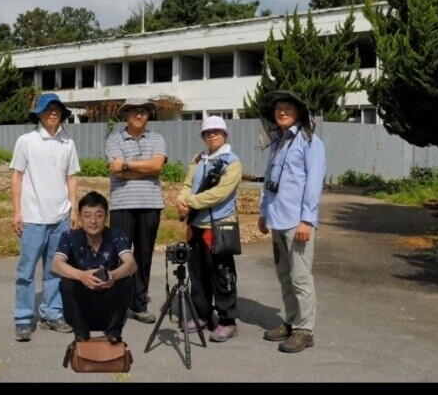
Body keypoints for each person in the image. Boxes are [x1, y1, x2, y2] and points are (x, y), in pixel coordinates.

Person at [257, 90, 326, 353]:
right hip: (277, 220)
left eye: (288, 108)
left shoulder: (310, 142)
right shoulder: (277, 143)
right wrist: (263, 212)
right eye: (278, 109)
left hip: (298, 222)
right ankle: (290, 321)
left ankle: (304, 329)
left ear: (298, 113)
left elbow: (313, 182)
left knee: (300, 277)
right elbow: (268, 181)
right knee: (285, 276)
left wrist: (307, 219)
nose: (282, 112)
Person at [11, 92, 80, 342]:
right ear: (39, 114)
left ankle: (52, 313)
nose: (53, 113)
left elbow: (71, 178)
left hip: (60, 217)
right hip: (32, 217)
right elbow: (17, 176)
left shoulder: (68, 143)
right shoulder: (26, 141)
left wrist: (73, 209)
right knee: (26, 271)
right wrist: (17, 211)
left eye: (57, 110)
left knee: (56, 270)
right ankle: (23, 318)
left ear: (62, 114)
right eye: (48, 109)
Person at [175, 116, 243, 343]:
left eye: (216, 131)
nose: (212, 135)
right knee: (197, 273)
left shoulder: (232, 162)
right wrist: (181, 199)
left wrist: (191, 202)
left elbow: (221, 193)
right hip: (196, 225)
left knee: (222, 275)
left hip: (219, 226)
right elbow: (187, 183)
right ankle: (202, 314)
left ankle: (227, 320)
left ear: (225, 134)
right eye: (207, 132)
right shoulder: (199, 160)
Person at [105, 98, 167, 324]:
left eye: (143, 112)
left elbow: (157, 166)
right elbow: (116, 171)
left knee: (144, 255)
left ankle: (138, 304)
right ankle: (117, 304)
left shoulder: (157, 138)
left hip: (151, 204)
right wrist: (146, 169)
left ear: (148, 116)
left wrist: (127, 165)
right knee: (120, 256)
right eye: (134, 112)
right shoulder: (114, 139)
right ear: (126, 116)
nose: (139, 115)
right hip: (122, 205)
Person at [52, 191, 137, 343]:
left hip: (107, 303)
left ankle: (113, 333)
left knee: (126, 281)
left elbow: (131, 264)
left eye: (99, 215)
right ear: (79, 217)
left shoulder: (116, 235)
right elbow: (56, 264)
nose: (93, 221)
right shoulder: (69, 237)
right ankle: (81, 333)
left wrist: (113, 276)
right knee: (66, 282)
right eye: (87, 215)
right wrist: (82, 276)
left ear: (106, 217)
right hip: (81, 305)